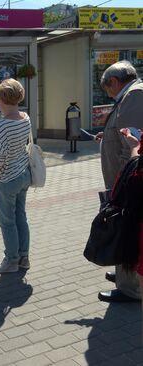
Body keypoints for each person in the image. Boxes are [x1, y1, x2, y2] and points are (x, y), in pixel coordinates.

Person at [95, 60, 143, 303]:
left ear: (113, 82)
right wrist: (109, 135)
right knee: (124, 228)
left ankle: (130, 287)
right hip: (125, 179)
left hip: (127, 180)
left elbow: (133, 142)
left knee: (126, 227)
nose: (109, 93)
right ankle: (125, 274)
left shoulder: (134, 96)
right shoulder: (132, 95)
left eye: (107, 89)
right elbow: (126, 132)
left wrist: (122, 182)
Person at [0, 79, 32, 274]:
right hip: (23, 175)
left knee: (7, 222)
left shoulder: (2, 125)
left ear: (4, 100)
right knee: (21, 217)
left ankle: (11, 261)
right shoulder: (25, 117)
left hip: (6, 180)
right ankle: (24, 257)